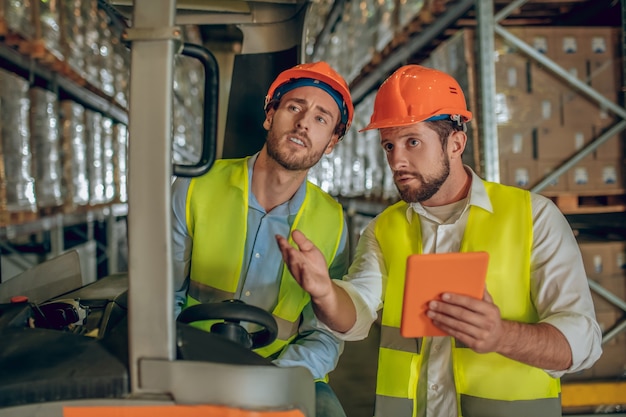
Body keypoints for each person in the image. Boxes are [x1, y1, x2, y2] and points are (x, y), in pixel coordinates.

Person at [276, 64, 603, 417]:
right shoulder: (384, 228)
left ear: (456, 143)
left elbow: (583, 342)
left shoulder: (533, 217)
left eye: (412, 142)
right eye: (389, 145)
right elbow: (356, 316)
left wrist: (502, 337)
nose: (397, 160)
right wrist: (324, 291)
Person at [171, 61, 357, 417]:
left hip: (280, 368)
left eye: (321, 118)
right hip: (190, 359)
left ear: (331, 142)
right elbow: (163, 295)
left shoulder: (332, 221)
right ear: (270, 116)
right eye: (294, 107)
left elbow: (325, 333)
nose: (303, 122)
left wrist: (276, 379)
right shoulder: (195, 188)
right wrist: (180, 360)